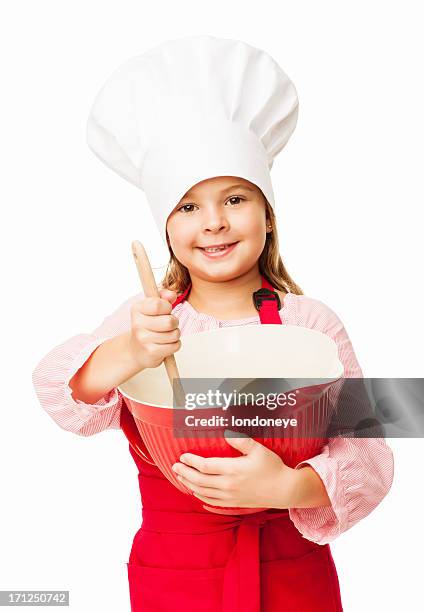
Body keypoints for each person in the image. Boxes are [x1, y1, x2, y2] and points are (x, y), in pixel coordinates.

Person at [32, 36, 394, 611]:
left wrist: (290, 486)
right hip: (174, 573)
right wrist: (129, 351)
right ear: (167, 229)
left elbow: (369, 450)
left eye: (234, 199)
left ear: (268, 216)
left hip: (291, 569)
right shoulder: (150, 322)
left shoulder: (312, 324)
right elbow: (58, 394)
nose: (214, 224)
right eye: (189, 206)